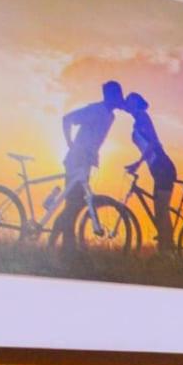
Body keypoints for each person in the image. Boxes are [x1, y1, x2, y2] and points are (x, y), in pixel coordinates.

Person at [51, 80, 125, 250]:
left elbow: (125, 105)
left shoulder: (110, 115)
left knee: (75, 204)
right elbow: (67, 118)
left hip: (86, 163)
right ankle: (61, 245)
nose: (120, 98)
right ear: (110, 96)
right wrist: (70, 144)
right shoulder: (95, 110)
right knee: (73, 204)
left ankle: (64, 245)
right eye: (118, 95)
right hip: (76, 161)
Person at [122, 91, 177, 253]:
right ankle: (166, 249)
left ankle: (167, 251)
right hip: (158, 169)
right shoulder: (138, 121)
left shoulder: (142, 117)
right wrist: (137, 163)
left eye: (131, 101)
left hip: (163, 167)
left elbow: (153, 144)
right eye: (127, 102)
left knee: (161, 211)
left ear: (138, 104)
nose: (128, 104)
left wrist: (138, 163)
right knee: (160, 212)